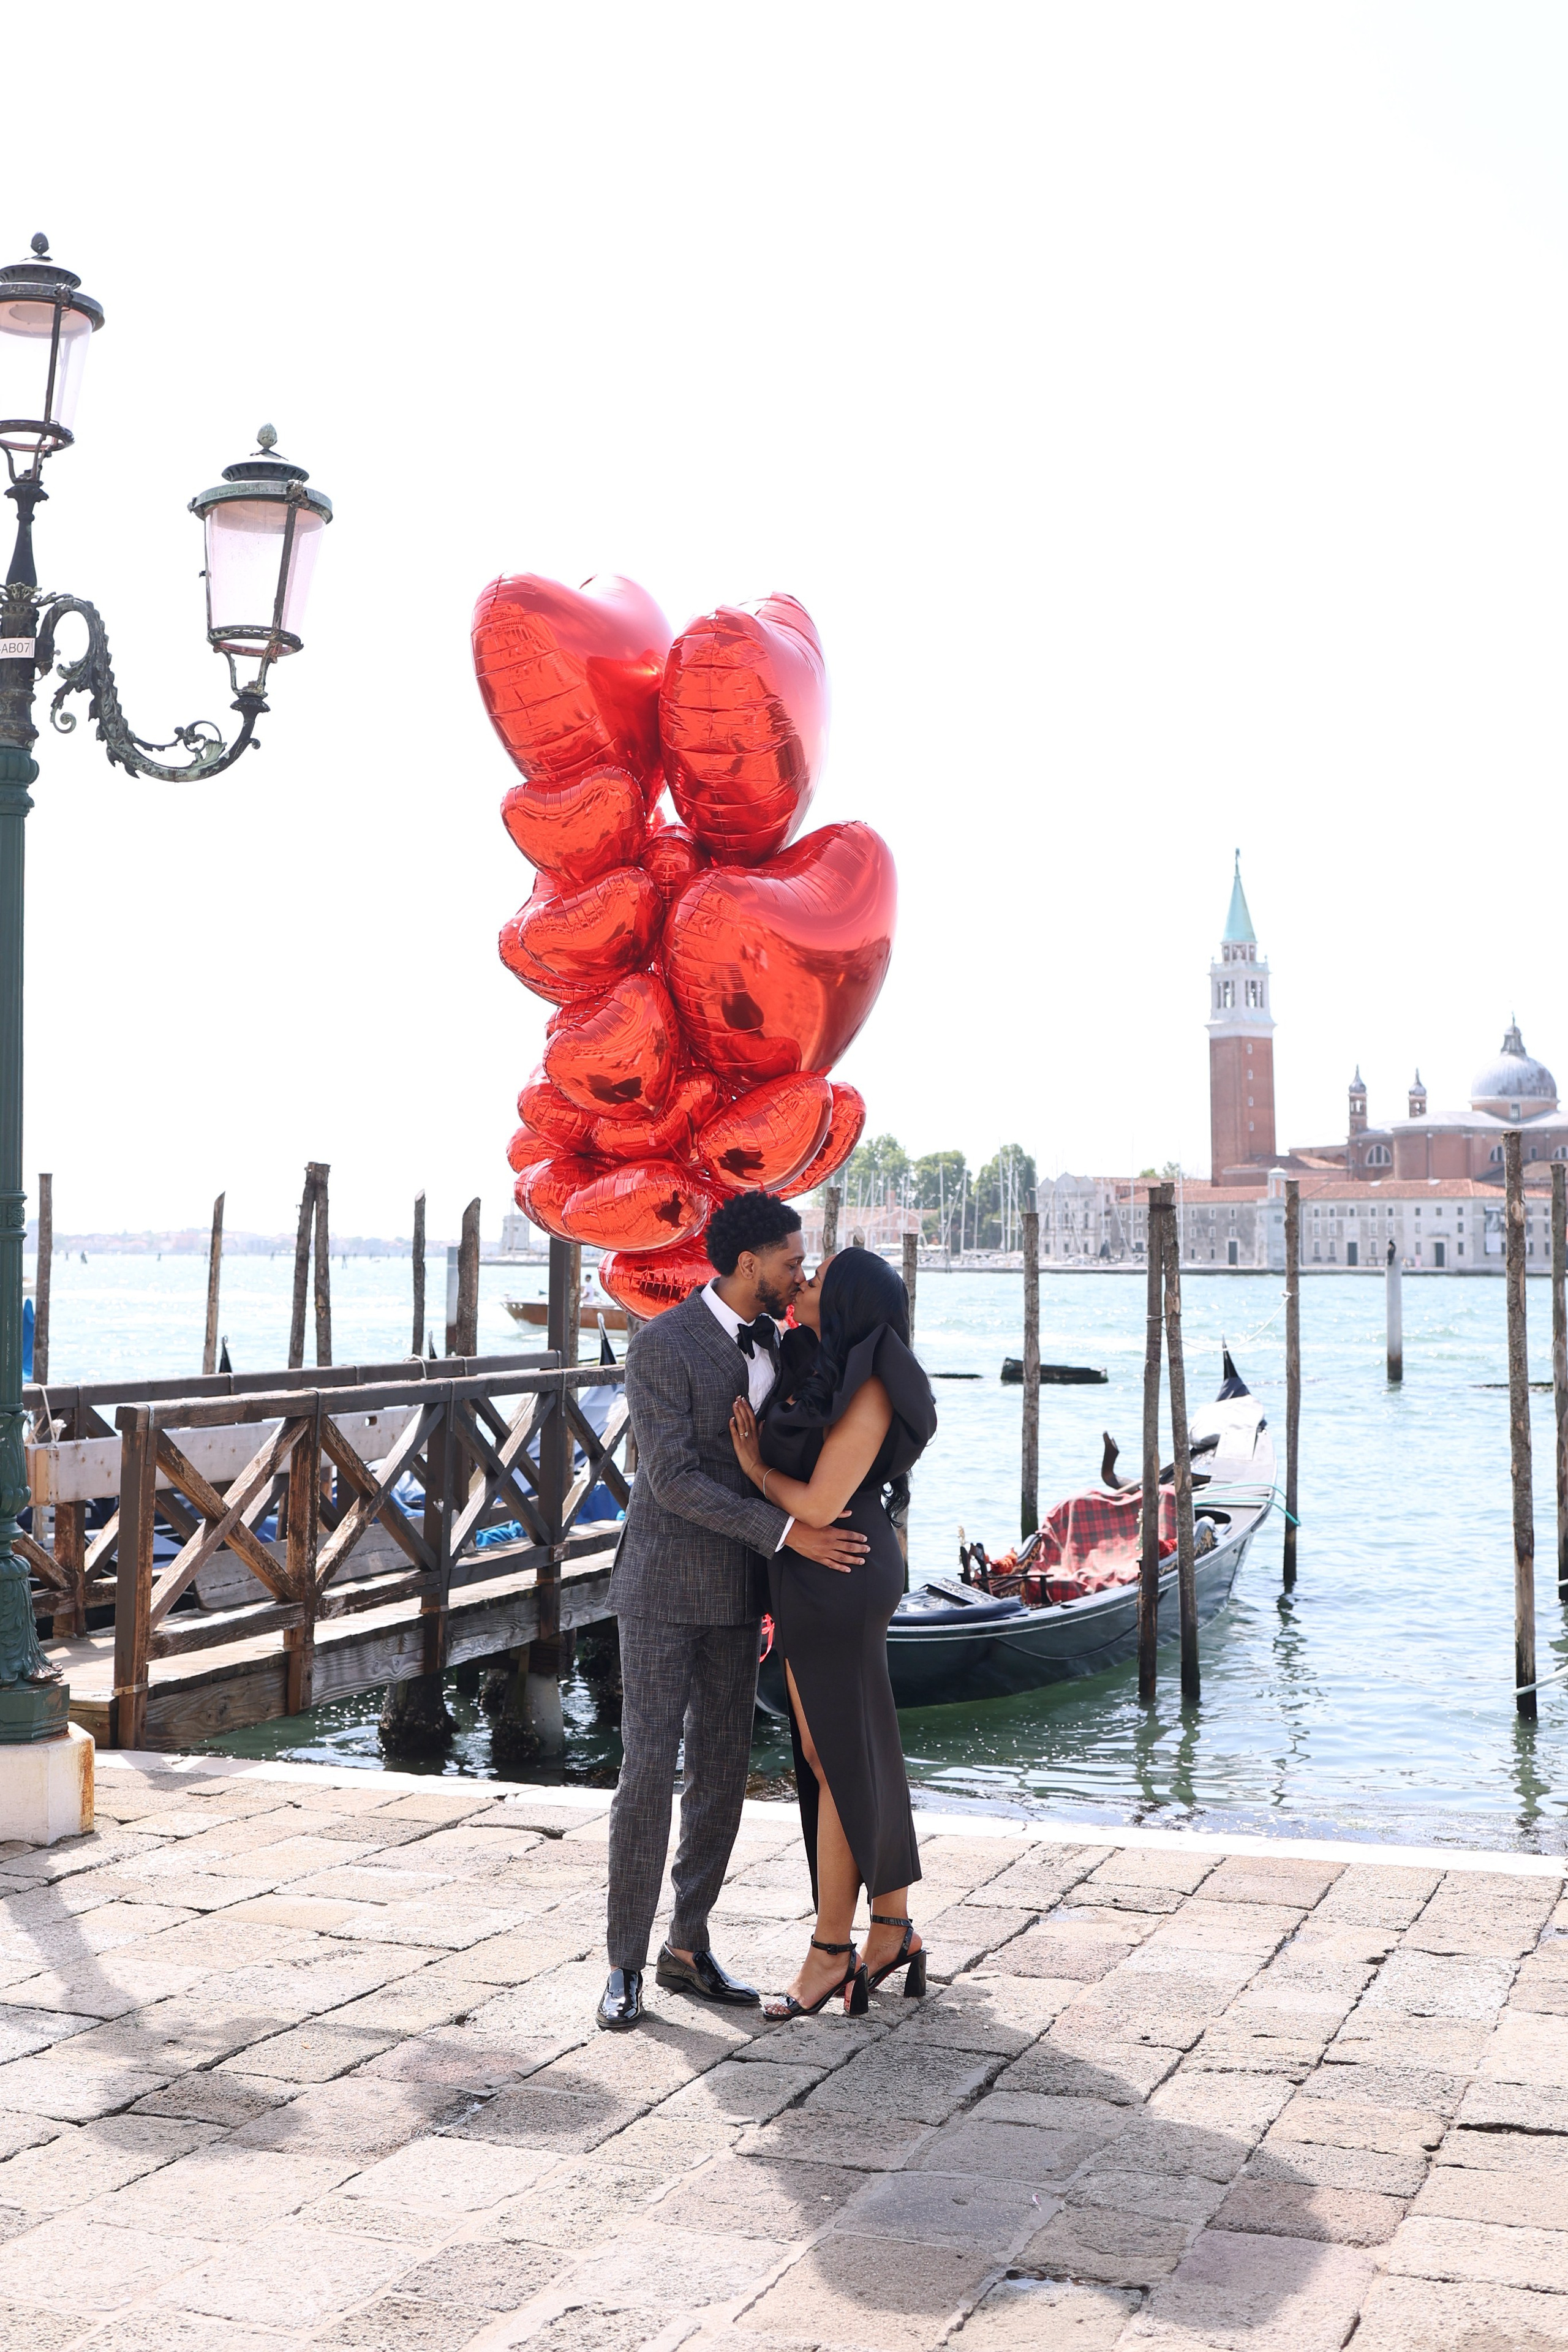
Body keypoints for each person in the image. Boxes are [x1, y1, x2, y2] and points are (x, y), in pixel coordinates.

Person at [598, 1193, 871, 2032]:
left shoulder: (790, 1344)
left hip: (743, 1595)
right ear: (749, 1263)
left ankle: (688, 1947)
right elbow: (672, 1480)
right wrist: (790, 1532)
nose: (801, 1272)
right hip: (659, 1591)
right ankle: (624, 1966)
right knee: (648, 1775)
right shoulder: (660, 1345)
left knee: (721, 1777)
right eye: (792, 1259)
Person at [729, 1246, 938, 2018]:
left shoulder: (875, 1386)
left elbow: (816, 1506)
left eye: (817, 1280)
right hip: (814, 1573)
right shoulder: (823, 1361)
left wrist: (753, 1471)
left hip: (840, 1572)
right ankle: (889, 1930)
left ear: (847, 1303)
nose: (802, 1282)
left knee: (838, 1756)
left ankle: (830, 1951)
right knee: (843, 1752)